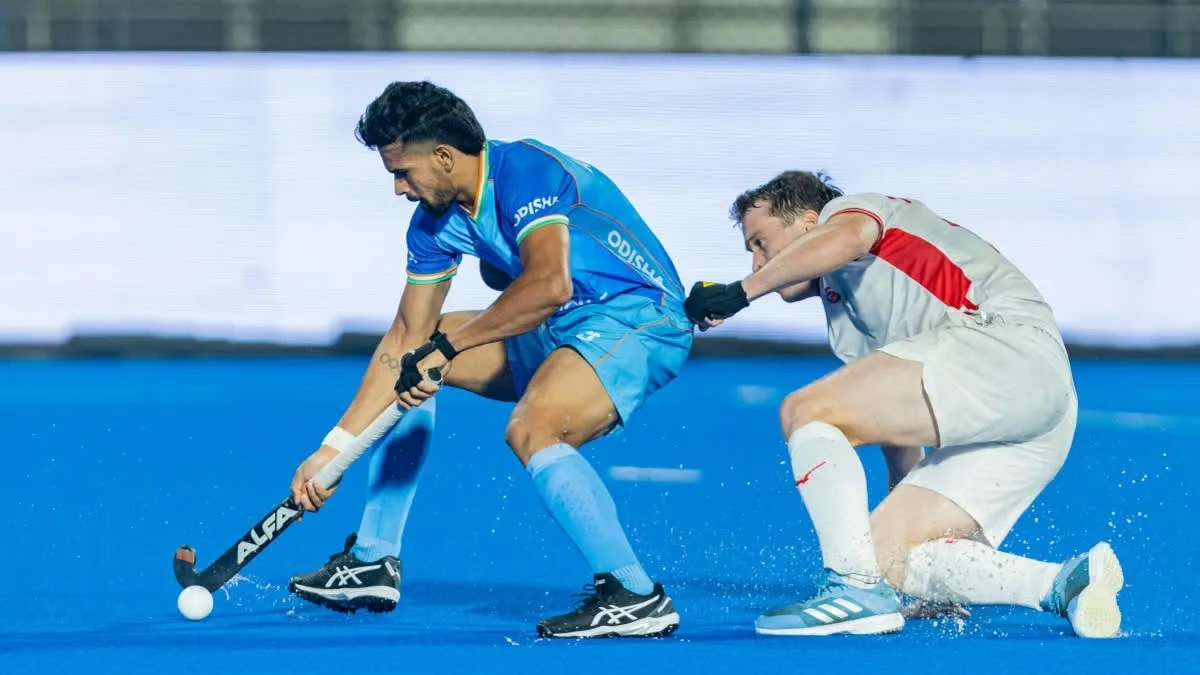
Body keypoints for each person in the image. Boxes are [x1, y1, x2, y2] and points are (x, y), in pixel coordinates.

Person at [284, 81, 693, 639]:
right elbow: (406, 336)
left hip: (637, 319)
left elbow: (549, 284)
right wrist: (333, 450)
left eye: (402, 173)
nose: (399, 189)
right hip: (558, 327)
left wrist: (449, 348)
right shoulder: (433, 223)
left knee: (532, 426)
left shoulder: (526, 170)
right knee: (417, 356)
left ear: (443, 156)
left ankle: (634, 595)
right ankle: (373, 560)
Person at [683, 170, 1124, 638]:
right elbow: (897, 434)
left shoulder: (848, 214)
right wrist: (907, 551)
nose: (756, 262)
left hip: (1004, 350)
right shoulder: (848, 311)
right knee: (885, 555)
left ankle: (853, 588)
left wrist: (742, 293)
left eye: (760, 243)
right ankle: (1064, 584)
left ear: (809, 222)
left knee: (805, 411)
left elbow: (847, 237)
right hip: (1041, 411)